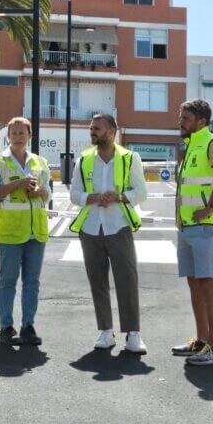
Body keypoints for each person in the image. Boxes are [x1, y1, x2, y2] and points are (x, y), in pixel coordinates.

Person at [69, 114, 148, 354]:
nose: (92, 132)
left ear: (111, 132)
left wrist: (119, 196)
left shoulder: (129, 158)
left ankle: (133, 334)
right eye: (91, 128)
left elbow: (141, 192)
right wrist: (92, 198)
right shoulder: (83, 160)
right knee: (98, 281)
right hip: (91, 228)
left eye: (97, 128)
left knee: (127, 280)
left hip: (118, 226)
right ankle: (106, 331)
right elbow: (74, 194)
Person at [171, 99, 213, 366]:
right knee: (195, 281)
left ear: (201, 122)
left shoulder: (212, 143)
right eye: (181, 117)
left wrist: (210, 208)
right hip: (187, 225)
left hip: (206, 225)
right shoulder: (189, 146)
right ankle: (202, 341)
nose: (180, 122)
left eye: (185, 118)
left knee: (208, 282)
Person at [0, 117, 50, 346]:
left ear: (30, 135)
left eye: (22, 133)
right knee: (8, 281)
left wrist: (39, 191)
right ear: (8, 136)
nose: (17, 137)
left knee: (32, 282)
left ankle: (28, 326)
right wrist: (18, 184)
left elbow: (47, 194)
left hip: (37, 231)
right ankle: (5, 327)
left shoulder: (40, 162)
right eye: (13, 133)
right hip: (10, 232)